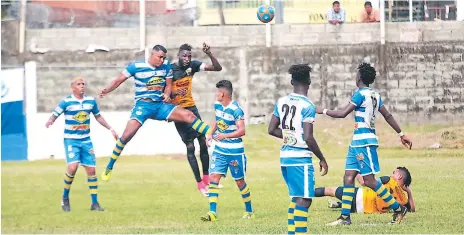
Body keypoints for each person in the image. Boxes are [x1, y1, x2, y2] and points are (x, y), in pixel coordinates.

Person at [99, 45, 213, 182]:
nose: (162, 60)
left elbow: (169, 85)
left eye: (164, 57)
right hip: (143, 106)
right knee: (127, 135)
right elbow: (118, 80)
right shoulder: (135, 66)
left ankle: (212, 133)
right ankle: (110, 166)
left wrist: (166, 94)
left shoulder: (165, 67)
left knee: (189, 116)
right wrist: (107, 90)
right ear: (152, 55)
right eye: (160, 57)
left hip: (160, 106)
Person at [317, 62, 413, 225]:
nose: (355, 77)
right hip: (356, 143)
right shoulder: (376, 96)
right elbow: (388, 116)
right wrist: (401, 134)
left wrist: (322, 110)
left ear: (359, 77)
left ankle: (398, 209)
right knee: (348, 177)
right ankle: (345, 217)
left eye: (356, 75)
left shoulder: (360, 94)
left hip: (365, 142)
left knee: (369, 180)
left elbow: (342, 113)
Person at [268, 64, 329, 234]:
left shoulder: (281, 102)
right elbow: (308, 137)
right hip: (300, 158)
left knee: (296, 198)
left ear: (291, 81)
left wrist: (289, 136)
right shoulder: (308, 106)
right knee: (305, 200)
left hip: (285, 157)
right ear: (309, 81)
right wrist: (322, 158)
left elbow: (271, 129)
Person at [45, 76, 119, 212]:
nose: (82, 86)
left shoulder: (90, 101)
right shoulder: (66, 102)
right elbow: (55, 113)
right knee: (72, 168)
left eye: (83, 84)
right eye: (79, 84)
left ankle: (94, 203)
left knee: (91, 170)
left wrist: (111, 128)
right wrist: (51, 121)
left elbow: (98, 116)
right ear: (72, 87)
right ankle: (65, 198)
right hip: (71, 140)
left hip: (86, 140)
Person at [170, 42, 222, 196]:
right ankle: (199, 184)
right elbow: (164, 89)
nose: (187, 58)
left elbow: (217, 68)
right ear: (178, 55)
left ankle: (207, 179)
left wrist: (209, 54)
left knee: (203, 143)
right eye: (184, 55)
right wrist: (172, 96)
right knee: (190, 147)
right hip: (178, 112)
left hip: (192, 109)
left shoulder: (192, 66)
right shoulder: (171, 70)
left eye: (189, 56)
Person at [200, 80, 254, 221]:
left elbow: (242, 130)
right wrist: (210, 134)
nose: (216, 94)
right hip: (220, 151)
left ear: (223, 93)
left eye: (217, 92)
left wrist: (225, 135)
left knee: (239, 182)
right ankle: (212, 213)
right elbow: (218, 121)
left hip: (235, 152)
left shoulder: (236, 110)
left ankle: (249, 211)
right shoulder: (218, 105)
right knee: (214, 178)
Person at [316, 166, 416, 214]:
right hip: (360, 210)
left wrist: (355, 172)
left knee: (329, 190)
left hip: (359, 195)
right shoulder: (402, 198)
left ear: (399, 176)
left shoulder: (388, 180)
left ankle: (304, 194)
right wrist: (409, 192)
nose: (392, 174)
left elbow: (365, 182)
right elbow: (412, 209)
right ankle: (338, 204)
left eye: (394, 172)